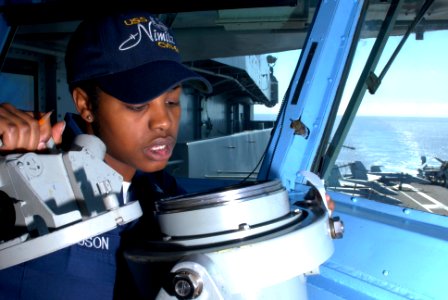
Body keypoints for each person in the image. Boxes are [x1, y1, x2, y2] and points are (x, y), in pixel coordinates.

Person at [0, 10, 212, 300]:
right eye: (138, 105)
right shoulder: (19, 180)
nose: (164, 121)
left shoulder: (163, 194)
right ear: (86, 104)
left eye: (172, 100)